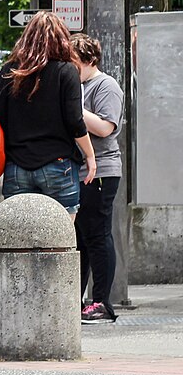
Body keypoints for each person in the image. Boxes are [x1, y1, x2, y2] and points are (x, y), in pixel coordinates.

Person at [0, 12, 96, 218]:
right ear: (61, 38)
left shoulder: (8, 71)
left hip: (16, 165)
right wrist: (90, 155)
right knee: (61, 240)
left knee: (18, 238)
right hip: (58, 165)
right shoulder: (66, 71)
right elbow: (75, 120)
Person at [71, 34, 123, 323]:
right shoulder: (79, 84)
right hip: (82, 169)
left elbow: (105, 127)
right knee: (82, 237)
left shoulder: (106, 86)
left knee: (98, 234)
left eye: (74, 62)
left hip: (101, 169)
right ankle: (80, 299)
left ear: (89, 60)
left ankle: (102, 301)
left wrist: (74, 109)